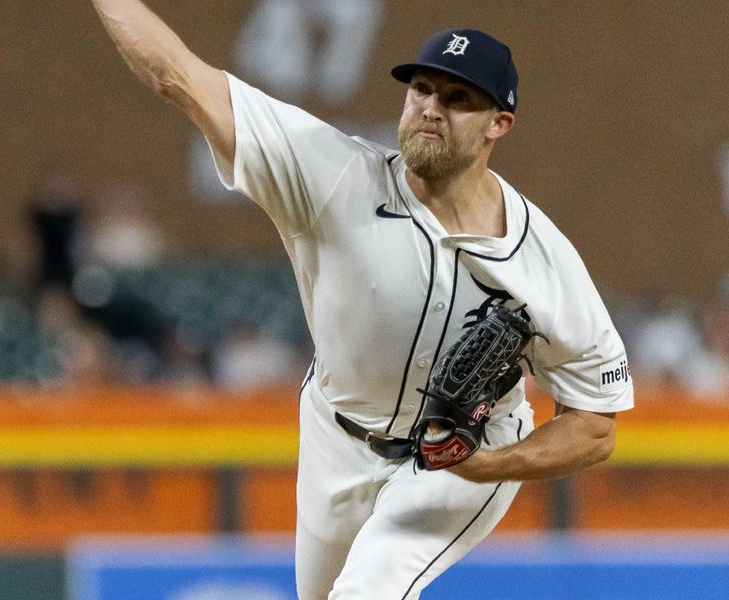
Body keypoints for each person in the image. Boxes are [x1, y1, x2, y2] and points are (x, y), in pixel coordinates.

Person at [92, 3, 635, 598]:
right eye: (422, 89)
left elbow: (594, 426)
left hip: (462, 452)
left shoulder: (544, 262)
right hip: (336, 433)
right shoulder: (334, 176)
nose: (431, 107)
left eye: (457, 99)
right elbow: (178, 76)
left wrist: (485, 467)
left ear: (498, 124)